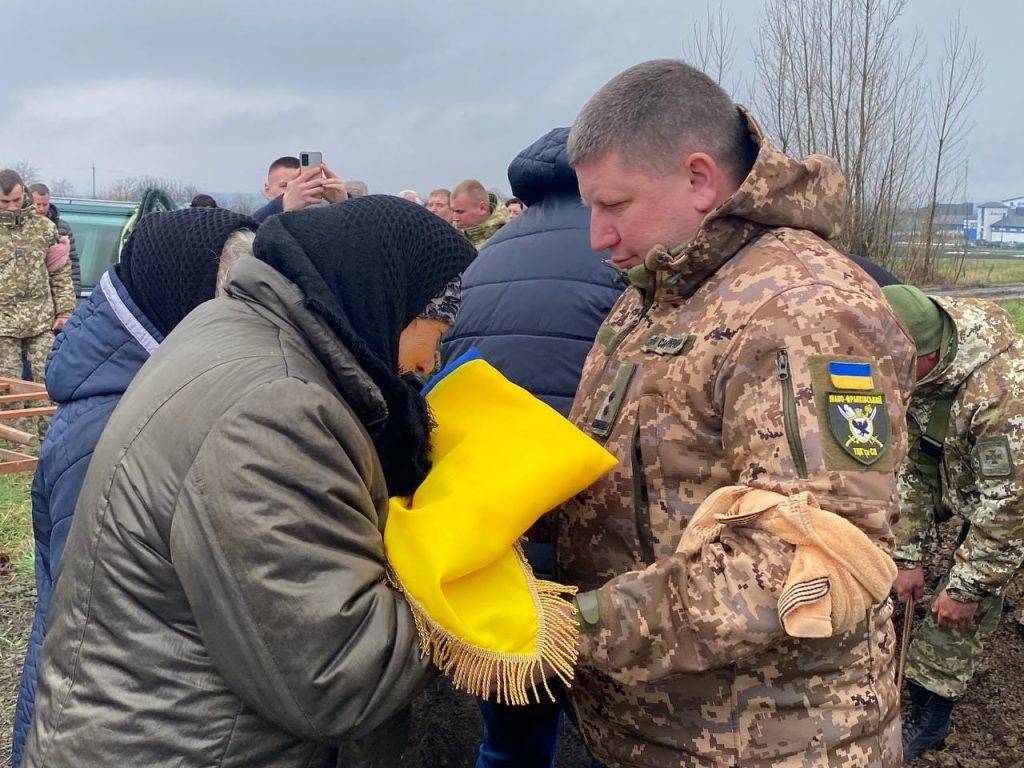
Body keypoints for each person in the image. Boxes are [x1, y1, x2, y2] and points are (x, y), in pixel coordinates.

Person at [21, 197, 476, 768]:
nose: (431, 361)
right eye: (437, 331)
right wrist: (471, 589)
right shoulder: (275, 408)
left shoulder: (230, 327)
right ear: (394, 303)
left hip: (146, 726)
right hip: (190, 746)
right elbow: (337, 678)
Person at [557, 59, 915, 767]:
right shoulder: (658, 291)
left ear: (698, 178)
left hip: (767, 742)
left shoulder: (804, 306)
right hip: (653, 726)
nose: (596, 236)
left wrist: (579, 627)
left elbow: (810, 561)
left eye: (615, 206)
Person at [9, 207, 257, 767]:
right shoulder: (112, 429)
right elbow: (98, 619)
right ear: (191, 298)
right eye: (235, 301)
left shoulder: (147, 376)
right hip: (106, 724)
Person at [442, 126, 624, 768]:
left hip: (507, 517)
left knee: (514, 714)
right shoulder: (628, 252)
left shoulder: (486, 258)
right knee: (619, 721)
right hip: (599, 521)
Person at [884, 285, 1024, 762]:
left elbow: (1008, 515)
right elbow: (918, 468)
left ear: (926, 356)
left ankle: (931, 712)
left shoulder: (1002, 398)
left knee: (962, 603)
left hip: (1012, 498)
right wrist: (906, 559)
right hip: (971, 475)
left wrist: (965, 590)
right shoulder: (924, 359)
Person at [0, 170, 75, 385]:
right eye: (4, 202)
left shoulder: (44, 227)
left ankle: (47, 419)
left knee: (48, 381)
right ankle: (12, 421)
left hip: (41, 320)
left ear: (24, 192)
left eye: (16, 199)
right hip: (3, 325)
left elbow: (60, 272)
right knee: (8, 387)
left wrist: (65, 311)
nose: (12, 206)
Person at [251, 156, 348, 224]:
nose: (293, 190)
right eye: (285, 185)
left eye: (300, 184)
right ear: (267, 190)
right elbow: (244, 230)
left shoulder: (320, 221)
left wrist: (344, 205)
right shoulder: (257, 220)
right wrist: (283, 205)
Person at [29, 183, 81, 295]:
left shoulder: (61, 228)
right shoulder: (20, 228)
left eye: (45, 204)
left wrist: (75, 290)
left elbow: (72, 260)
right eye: (38, 204)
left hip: (56, 291)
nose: (41, 209)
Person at [450, 179, 508, 248]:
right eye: (453, 211)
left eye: (460, 212)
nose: (454, 218)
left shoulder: (507, 236)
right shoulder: (451, 236)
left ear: (482, 208)